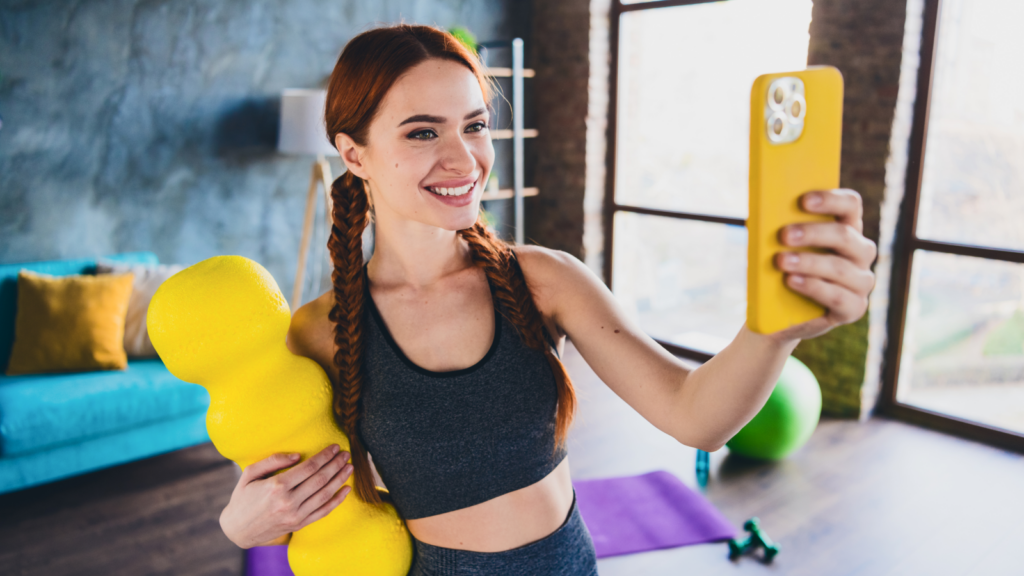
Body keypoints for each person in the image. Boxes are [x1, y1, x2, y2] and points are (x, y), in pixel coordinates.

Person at [217, 24, 877, 575]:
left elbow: (695, 414)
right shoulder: (322, 332)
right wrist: (241, 523)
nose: (464, 158)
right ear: (354, 154)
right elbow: (281, 496)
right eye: (422, 133)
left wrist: (776, 329)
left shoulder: (542, 280)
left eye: (474, 126)